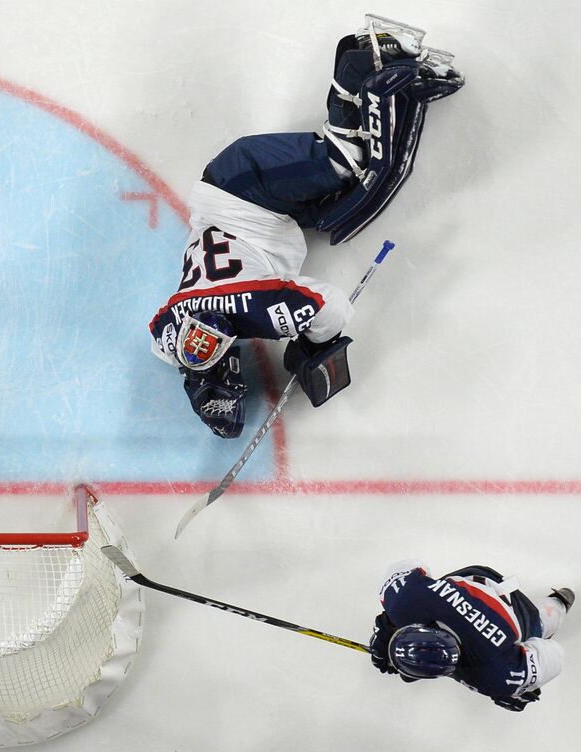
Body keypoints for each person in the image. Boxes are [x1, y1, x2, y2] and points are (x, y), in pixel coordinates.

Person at [146, 15, 464, 438]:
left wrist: (313, 342)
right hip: (257, 209)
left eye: (232, 382)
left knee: (345, 162)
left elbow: (328, 305)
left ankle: (365, 56)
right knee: (350, 200)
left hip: (243, 183)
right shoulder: (167, 338)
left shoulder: (252, 309)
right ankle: (404, 92)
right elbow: (165, 331)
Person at [368, 561, 573, 711]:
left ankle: (557, 605)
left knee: (542, 622)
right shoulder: (404, 600)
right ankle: (557, 605)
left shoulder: (493, 672)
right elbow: (407, 569)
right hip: (479, 576)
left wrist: (521, 684)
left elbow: (553, 654)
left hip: (520, 613)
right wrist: (388, 625)